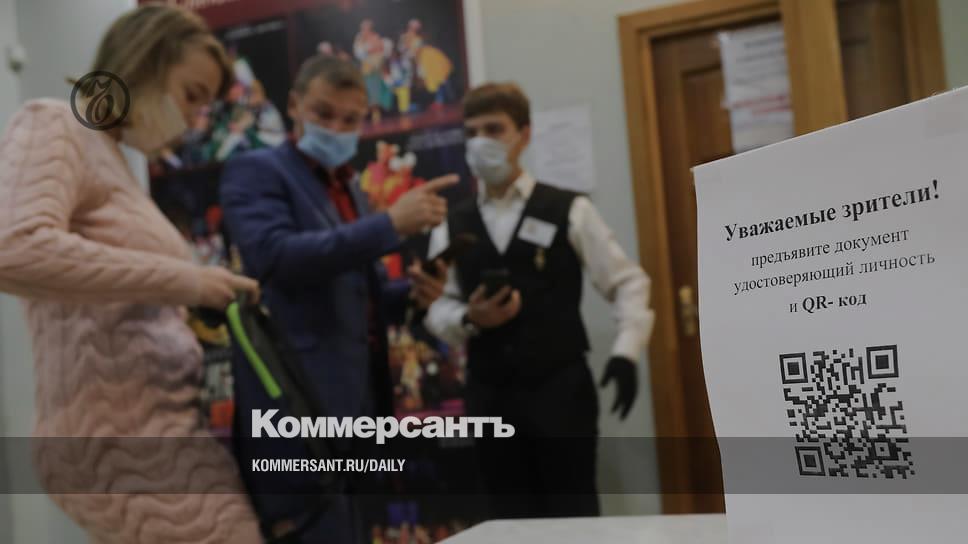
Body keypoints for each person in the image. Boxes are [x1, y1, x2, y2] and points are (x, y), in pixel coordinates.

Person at [0, 5, 263, 543]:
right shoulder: (56, 123)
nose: (193, 118)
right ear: (145, 61)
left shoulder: (114, 159)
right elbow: (13, 247)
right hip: (121, 435)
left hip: (152, 428)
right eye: (191, 95)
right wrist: (191, 282)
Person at [220, 54, 456, 542]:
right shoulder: (255, 171)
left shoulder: (348, 185)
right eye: (323, 113)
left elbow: (357, 295)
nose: (336, 128)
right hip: (296, 408)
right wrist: (390, 224)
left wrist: (411, 296)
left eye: (350, 120)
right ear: (294, 106)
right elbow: (276, 258)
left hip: (359, 409)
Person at [425, 82, 655, 519]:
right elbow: (437, 305)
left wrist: (626, 352)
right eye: (472, 132)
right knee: (507, 519)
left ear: (524, 134)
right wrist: (469, 318)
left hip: (560, 389)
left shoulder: (569, 209)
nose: (481, 142)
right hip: (489, 394)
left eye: (494, 129)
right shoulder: (451, 223)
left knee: (573, 513)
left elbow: (627, 282)